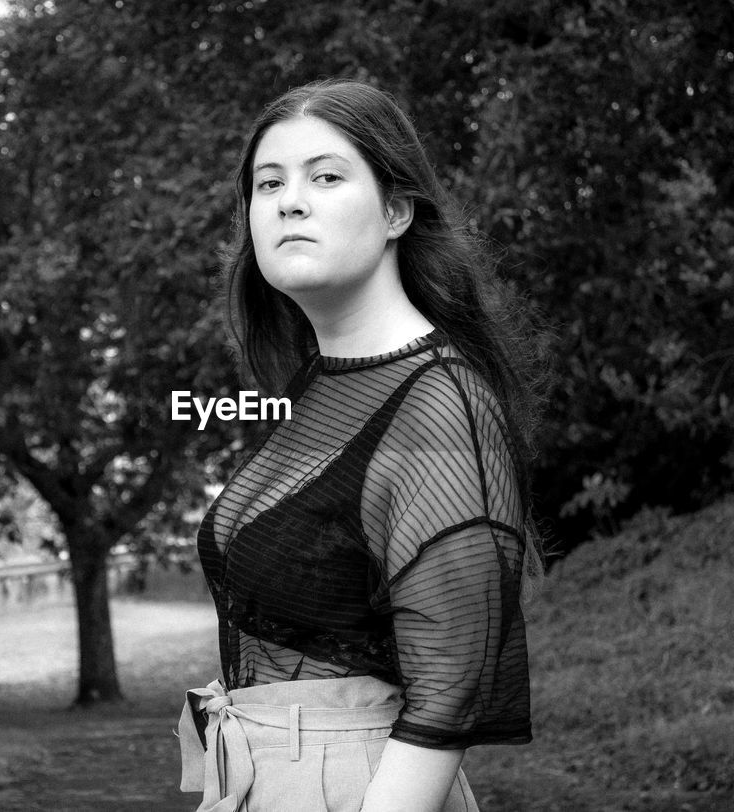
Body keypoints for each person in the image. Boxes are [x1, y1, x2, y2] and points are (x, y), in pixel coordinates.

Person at [178, 78, 544, 812]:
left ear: (396, 210)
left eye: (326, 176)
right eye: (268, 183)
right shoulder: (322, 390)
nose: (288, 201)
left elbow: (447, 699)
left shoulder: (439, 406)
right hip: (265, 777)